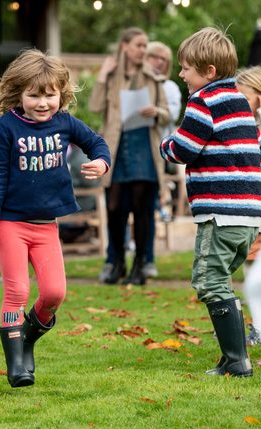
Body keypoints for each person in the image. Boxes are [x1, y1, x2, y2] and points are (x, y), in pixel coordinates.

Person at [0, 49, 110, 387]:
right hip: (10, 223)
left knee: (54, 293)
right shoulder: (5, 130)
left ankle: (26, 340)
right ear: (18, 93)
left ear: (61, 94)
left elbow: (96, 142)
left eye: (50, 94)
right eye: (34, 95)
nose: (43, 103)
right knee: (18, 290)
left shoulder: (65, 122)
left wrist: (101, 162)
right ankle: (16, 367)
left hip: (45, 226)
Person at [160, 27, 261, 377]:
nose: (181, 74)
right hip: (249, 216)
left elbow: (184, 149)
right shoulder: (240, 104)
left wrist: (166, 144)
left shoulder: (203, 101)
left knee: (209, 280)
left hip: (220, 213)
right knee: (222, 278)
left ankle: (237, 360)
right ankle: (233, 356)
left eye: (186, 68)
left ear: (208, 72)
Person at [90, 27, 170, 286]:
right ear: (125, 46)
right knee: (115, 209)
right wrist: (102, 76)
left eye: (145, 45)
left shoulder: (153, 77)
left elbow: (168, 114)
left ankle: (140, 266)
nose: (143, 50)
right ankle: (116, 263)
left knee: (143, 211)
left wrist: (155, 110)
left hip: (143, 149)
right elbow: (94, 107)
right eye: (138, 45)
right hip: (115, 148)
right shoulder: (111, 75)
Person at [143, 41, 183, 278]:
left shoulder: (169, 87)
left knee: (151, 200)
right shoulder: (134, 83)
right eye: (154, 57)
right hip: (135, 147)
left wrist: (157, 112)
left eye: (163, 59)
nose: (158, 62)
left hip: (160, 147)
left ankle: (148, 256)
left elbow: (173, 116)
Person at [235, 66, 261, 345]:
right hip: (254, 207)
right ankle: (256, 324)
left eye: (246, 99)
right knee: (252, 266)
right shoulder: (245, 124)